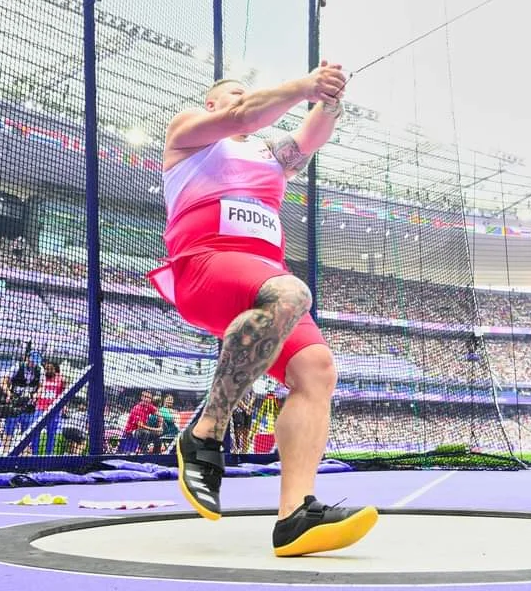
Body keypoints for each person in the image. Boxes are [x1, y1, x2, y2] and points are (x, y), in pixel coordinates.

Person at [148, 62, 377, 557]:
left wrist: (328, 101)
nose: (241, 98)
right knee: (293, 293)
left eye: (244, 93)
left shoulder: (270, 154)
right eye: (232, 93)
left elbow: (309, 138)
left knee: (316, 369)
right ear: (211, 104)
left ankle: (295, 515)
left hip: (264, 276)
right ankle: (207, 430)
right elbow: (243, 117)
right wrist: (303, 85)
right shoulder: (189, 131)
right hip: (205, 262)